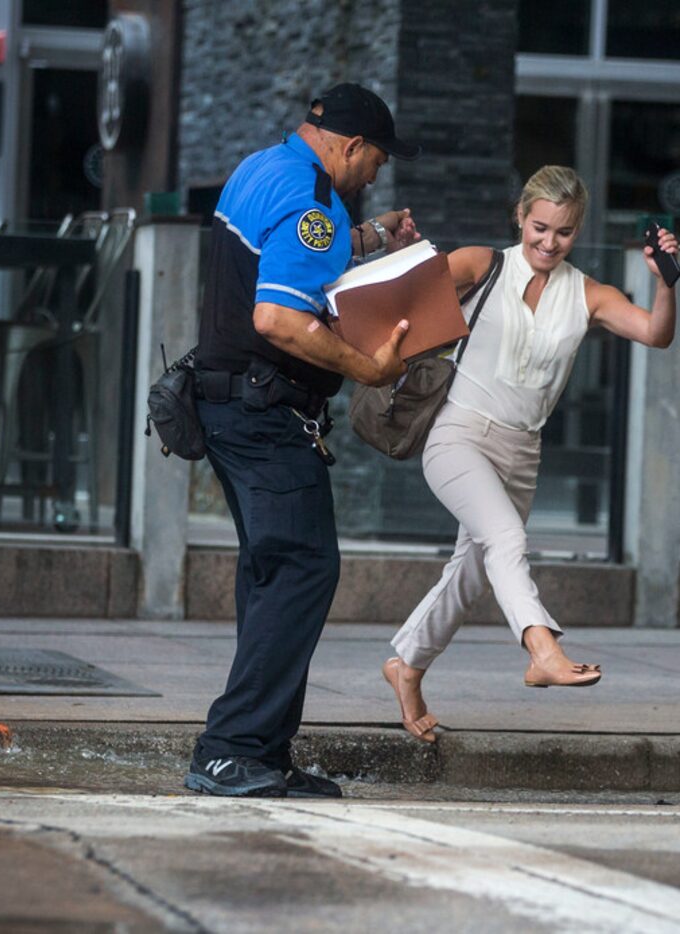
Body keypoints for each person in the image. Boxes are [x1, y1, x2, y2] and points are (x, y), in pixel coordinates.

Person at [383, 165, 680, 743]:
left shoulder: (589, 293)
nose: (548, 243)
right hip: (458, 434)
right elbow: (406, 291)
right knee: (508, 542)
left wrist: (665, 281)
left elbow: (655, 333)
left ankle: (406, 665)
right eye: (539, 228)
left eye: (563, 233)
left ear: (577, 232)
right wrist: (401, 252)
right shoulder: (482, 264)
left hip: (522, 453)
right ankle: (542, 648)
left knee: (470, 574)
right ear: (520, 217)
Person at [185, 83, 422, 797]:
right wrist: (370, 367)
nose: (376, 175)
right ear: (351, 145)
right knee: (302, 570)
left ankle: (262, 755)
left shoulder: (263, 168)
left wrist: (373, 237)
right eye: (376, 161)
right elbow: (279, 319)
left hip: (228, 404)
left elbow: (294, 250)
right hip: (265, 412)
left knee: (272, 574)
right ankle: (230, 751)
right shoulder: (315, 199)